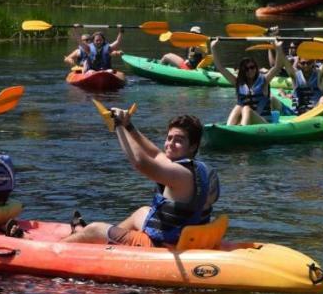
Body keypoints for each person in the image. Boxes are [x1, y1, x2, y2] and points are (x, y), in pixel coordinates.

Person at [61, 111, 219, 247]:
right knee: (142, 212)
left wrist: (118, 126)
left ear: (193, 146)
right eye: (169, 138)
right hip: (189, 237)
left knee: (95, 228)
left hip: (163, 245)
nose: (170, 144)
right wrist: (129, 126)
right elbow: (156, 154)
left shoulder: (179, 174)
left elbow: (140, 162)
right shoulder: (206, 170)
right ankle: (109, 242)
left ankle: (59, 246)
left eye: (178, 140)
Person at [209, 37, 285, 125]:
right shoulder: (238, 83)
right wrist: (213, 48)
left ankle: (242, 130)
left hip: (264, 122)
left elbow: (277, 67)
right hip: (249, 121)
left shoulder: (264, 81)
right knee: (239, 106)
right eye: (246, 69)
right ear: (242, 71)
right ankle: (230, 127)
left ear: (256, 68)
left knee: (246, 109)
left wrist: (279, 49)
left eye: (252, 67)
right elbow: (220, 68)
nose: (250, 70)